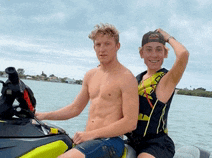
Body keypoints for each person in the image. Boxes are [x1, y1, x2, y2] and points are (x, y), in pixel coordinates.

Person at [35, 23, 139, 158]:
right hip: (88, 140)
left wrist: (90, 134)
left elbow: (130, 122)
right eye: (98, 44)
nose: (102, 49)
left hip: (111, 141)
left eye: (107, 44)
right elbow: (75, 108)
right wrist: (43, 116)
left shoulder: (126, 78)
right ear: (94, 47)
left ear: (117, 46)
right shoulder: (91, 75)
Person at [125, 29, 189, 158]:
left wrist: (168, 37)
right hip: (131, 140)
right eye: (148, 49)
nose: (154, 55)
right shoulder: (136, 79)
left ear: (165, 53)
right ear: (141, 53)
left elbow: (183, 54)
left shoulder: (166, 79)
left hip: (156, 144)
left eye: (159, 49)